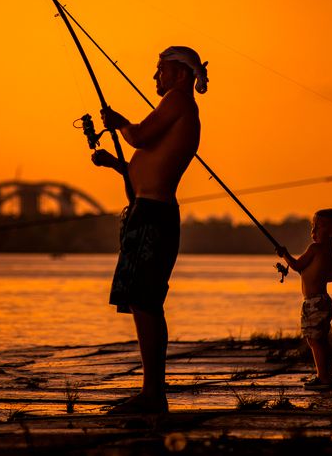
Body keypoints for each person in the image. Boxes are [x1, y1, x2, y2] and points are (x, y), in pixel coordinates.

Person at [90, 45, 207, 414]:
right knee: (141, 303)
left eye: (161, 70)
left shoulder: (179, 101)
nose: (155, 76)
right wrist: (115, 165)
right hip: (146, 211)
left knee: (146, 303)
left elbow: (138, 137)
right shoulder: (175, 108)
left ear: (181, 74)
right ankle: (151, 391)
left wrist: (119, 122)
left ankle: (153, 393)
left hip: (154, 216)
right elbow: (146, 168)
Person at [276, 208, 332, 390]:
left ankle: (324, 379)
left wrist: (284, 254)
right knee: (320, 340)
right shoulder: (330, 250)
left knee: (314, 341)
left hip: (314, 302)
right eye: (312, 227)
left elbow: (297, 265)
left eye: (318, 227)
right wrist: (318, 275)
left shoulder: (314, 249)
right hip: (323, 301)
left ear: (331, 232)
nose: (312, 232)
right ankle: (326, 376)